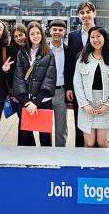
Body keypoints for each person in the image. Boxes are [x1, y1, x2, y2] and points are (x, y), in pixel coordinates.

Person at [13, 21, 56, 147]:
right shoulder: (22, 53)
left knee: (45, 138)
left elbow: (49, 80)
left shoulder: (49, 54)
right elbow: (18, 78)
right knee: (25, 137)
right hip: (26, 101)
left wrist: (36, 102)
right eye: (32, 33)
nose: (35, 36)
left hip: (43, 101)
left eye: (38, 33)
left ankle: (45, 164)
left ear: (42, 35)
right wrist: (27, 101)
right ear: (28, 36)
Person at [73, 26, 109, 148]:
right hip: (87, 105)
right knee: (89, 143)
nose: (95, 39)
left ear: (105, 38)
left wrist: (108, 105)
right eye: (92, 37)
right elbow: (77, 82)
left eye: (98, 36)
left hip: (104, 105)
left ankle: (106, 167)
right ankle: (89, 167)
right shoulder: (83, 57)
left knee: (102, 143)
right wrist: (84, 104)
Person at [65, 1, 97, 147]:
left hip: (98, 87)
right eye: (82, 13)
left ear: (94, 14)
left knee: (97, 123)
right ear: (78, 16)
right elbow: (70, 63)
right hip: (79, 88)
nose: (85, 15)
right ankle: (80, 152)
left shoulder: (102, 33)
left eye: (88, 12)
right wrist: (69, 87)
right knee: (80, 121)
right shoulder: (73, 36)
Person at [48, 19, 69, 147]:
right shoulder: (43, 50)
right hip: (45, 93)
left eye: (60, 30)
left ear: (64, 31)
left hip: (61, 92)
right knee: (45, 127)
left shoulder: (68, 50)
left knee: (61, 129)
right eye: (54, 29)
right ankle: (48, 154)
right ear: (50, 31)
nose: (57, 32)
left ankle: (61, 154)